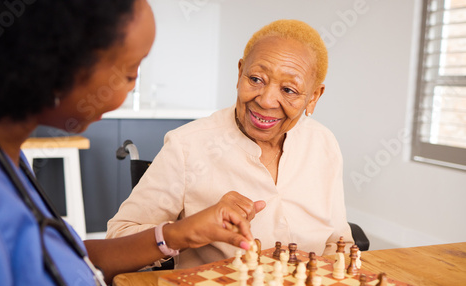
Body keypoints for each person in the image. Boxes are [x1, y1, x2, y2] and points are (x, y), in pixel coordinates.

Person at [0, 1, 264, 286]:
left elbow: (70, 261)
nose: (132, 87)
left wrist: (180, 233)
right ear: (56, 60)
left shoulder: (2, 154)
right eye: (129, 72)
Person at [107, 19, 354, 268]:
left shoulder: (324, 143)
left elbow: (338, 240)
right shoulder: (186, 146)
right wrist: (186, 230)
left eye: (289, 90)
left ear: (313, 97)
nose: (266, 100)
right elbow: (118, 237)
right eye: (256, 79)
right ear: (239, 73)